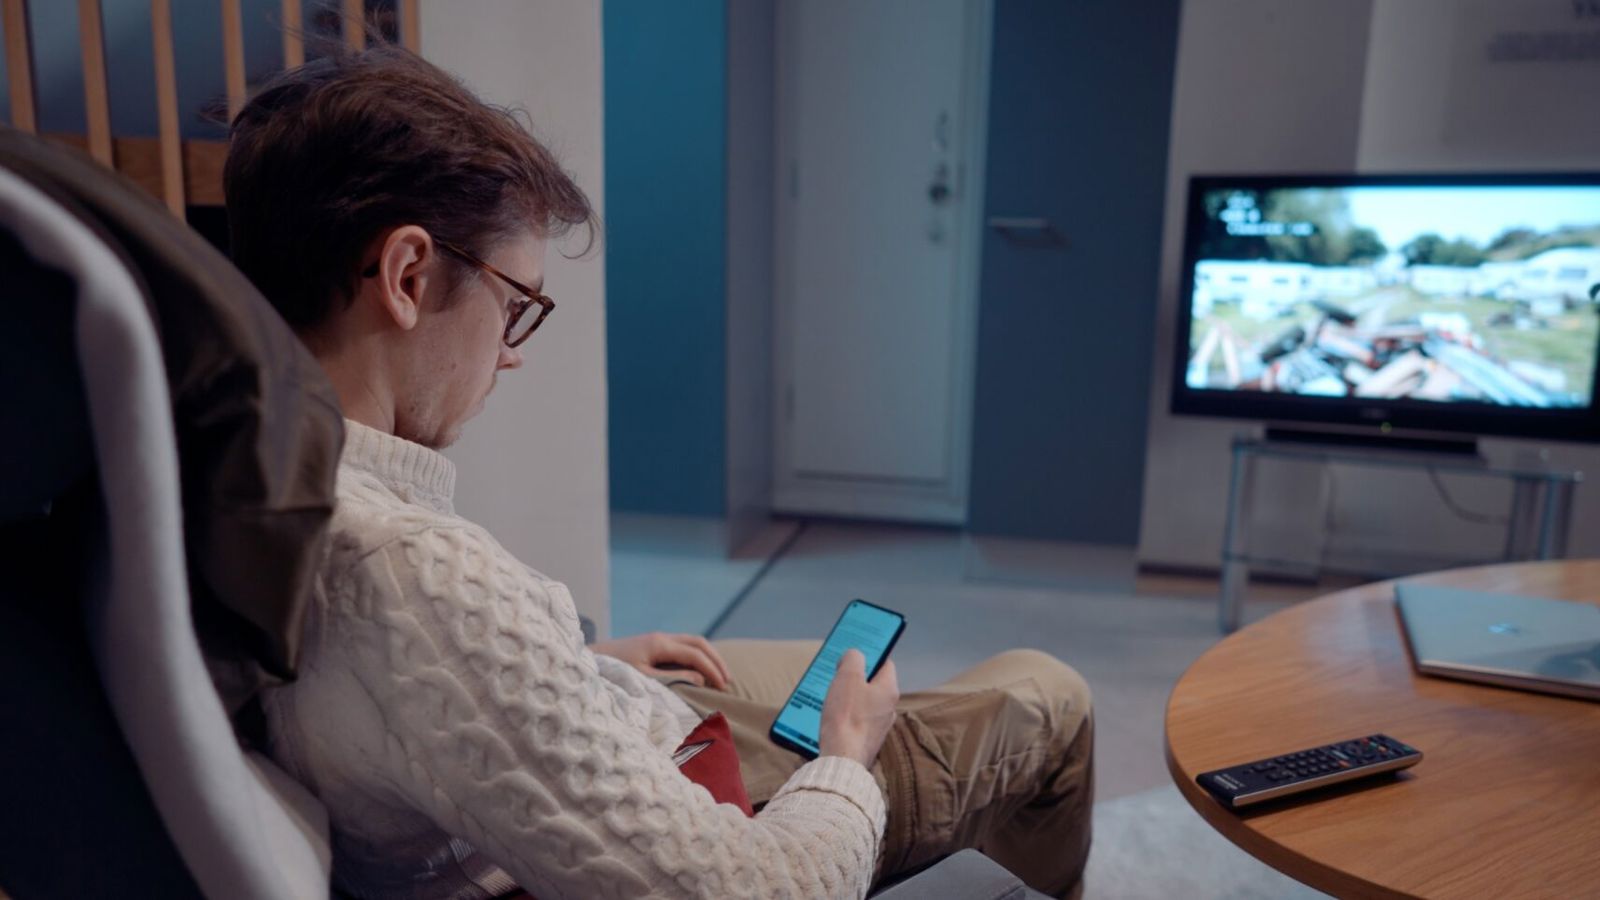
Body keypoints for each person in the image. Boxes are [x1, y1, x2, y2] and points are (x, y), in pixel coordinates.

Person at [229, 44, 1093, 900]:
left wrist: (570, 661)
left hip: (620, 718)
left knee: (816, 668)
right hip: (713, 806)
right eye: (516, 304)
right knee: (1048, 692)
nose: (511, 354)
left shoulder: (252, 473)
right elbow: (758, 890)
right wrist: (844, 762)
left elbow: (400, 697)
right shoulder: (410, 572)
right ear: (408, 274)